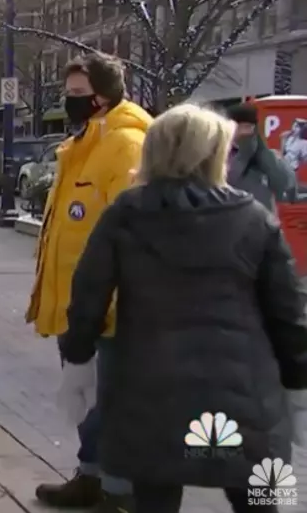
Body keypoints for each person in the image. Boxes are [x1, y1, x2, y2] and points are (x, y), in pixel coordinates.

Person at [58, 103, 307, 512]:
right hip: (247, 398)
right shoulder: (254, 218)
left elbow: (88, 297)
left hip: (151, 394)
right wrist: (297, 385)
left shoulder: (126, 215)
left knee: (154, 497)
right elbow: (288, 313)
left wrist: (78, 363)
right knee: (263, 499)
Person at [25, 52, 153, 512]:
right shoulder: (82, 145)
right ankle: (92, 477)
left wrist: (109, 304)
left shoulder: (126, 145)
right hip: (79, 307)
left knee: (109, 404)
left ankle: (118, 493)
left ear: (102, 96)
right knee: (85, 402)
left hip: (111, 311)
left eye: (78, 95)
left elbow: (135, 235)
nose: (70, 103)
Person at [226, 102, 294, 210]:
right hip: (231, 217)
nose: (243, 132)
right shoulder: (220, 155)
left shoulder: (267, 155)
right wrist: (244, 155)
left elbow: (284, 184)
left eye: (247, 127)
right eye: (237, 127)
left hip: (260, 218)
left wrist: (264, 153)